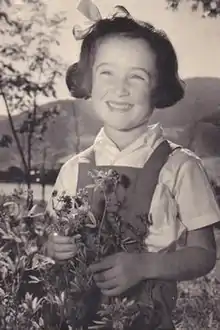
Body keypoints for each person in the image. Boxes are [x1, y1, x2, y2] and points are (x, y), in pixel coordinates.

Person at [45, 5, 220, 329]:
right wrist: (56, 244)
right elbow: (53, 235)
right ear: (88, 84)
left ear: (158, 88)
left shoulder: (180, 167)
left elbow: (204, 255)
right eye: (106, 73)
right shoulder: (73, 168)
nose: (120, 89)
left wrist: (143, 266)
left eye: (136, 76)